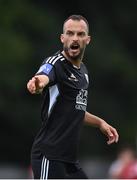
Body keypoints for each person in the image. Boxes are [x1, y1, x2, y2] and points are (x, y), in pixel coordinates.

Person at [27, 14, 119, 179]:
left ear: (88, 39)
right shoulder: (55, 63)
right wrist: (38, 83)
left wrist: (100, 123)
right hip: (49, 155)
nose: (74, 38)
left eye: (80, 34)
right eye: (70, 33)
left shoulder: (83, 72)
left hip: (69, 160)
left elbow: (76, 109)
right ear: (62, 38)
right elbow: (44, 75)